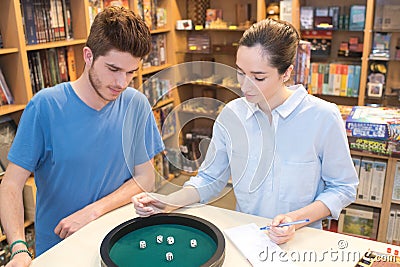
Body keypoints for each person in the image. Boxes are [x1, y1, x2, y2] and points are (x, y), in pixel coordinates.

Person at [133, 18, 358, 245]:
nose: (245, 86)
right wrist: (169, 201)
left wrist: (295, 220)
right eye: (240, 72)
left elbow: (343, 187)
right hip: (247, 236)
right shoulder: (232, 115)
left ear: (286, 73)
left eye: (258, 77)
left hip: (302, 239)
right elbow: (210, 178)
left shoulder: (322, 116)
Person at [0, 6, 163, 266]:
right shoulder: (45, 107)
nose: (122, 82)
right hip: (60, 250)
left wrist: (93, 212)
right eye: (113, 68)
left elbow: (145, 178)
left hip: (119, 243)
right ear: (88, 56)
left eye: (130, 72)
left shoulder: (136, 104)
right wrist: (19, 247)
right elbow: (10, 185)